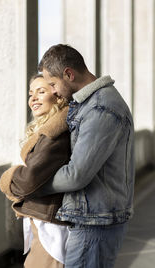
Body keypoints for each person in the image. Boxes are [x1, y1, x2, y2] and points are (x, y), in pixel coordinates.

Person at [32, 44, 135, 268]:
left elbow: (75, 176)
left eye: (52, 84)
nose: (53, 91)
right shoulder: (93, 103)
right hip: (96, 218)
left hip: (95, 223)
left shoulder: (101, 108)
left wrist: (32, 185)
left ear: (69, 74)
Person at [0, 74, 71, 268]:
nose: (33, 98)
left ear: (58, 96)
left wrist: (9, 176)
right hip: (44, 219)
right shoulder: (50, 130)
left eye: (42, 92)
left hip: (50, 224)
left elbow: (29, 180)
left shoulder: (54, 134)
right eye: (31, 94)